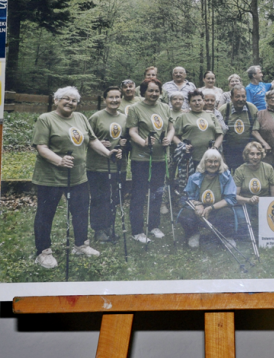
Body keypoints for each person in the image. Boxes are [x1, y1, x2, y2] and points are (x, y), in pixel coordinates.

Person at [32, 86, 119, 268]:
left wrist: (108, 153)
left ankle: (81, 245)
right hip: (51, 177)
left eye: (74, 100)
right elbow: (41, 147)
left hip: (79, 176)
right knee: (45, 215)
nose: (70, 103)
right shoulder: (45, 119)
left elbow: (92, 140)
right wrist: (59, 160)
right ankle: (43, 252)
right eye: (66, 99)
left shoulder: (80, 118)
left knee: (80, 212)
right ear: (56, 100)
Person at [126, 78, 174, 243]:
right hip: (141, 157)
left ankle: (154, 225)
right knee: (139, 194)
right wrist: (143, 142)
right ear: (143, 92)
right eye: (150, 91)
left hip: (160, 157)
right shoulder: (135, 108)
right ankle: (137, 230)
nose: (154, 94)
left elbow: (171, 127)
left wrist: (168, 138)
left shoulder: (165, 107)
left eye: (157, 91)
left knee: (157, 193)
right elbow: (132, 131)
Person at [87, 86, 128, 242]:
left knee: (114, 198)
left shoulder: (125, 118)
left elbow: (128, 140)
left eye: (117, 97)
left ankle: (109, 227)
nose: (114, 100)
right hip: (98, 166)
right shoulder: (96, 117)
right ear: (105, 99)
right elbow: (88, 140)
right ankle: (98, 229)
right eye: (111, 97)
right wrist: (99, 142)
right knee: (99, 198)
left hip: (118, 165)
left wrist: (125, 145)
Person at [180, 149, 239, 248]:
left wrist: (210, 208)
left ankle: (227, 236)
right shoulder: (194, 177)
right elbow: (186, 197)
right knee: (185, 213)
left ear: (220, 163)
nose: (213, 164)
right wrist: (197, 204)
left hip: (217, 210)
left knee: (227, 212)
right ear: (204, 162)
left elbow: (231, 198)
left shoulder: (226, 176)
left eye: (216, 162)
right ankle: (194, 234)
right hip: (199, 212)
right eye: (210, 161)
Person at [174, 90, 224, 175]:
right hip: (190, 157)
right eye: (193, 101)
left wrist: (215, 148)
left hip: (209, 158)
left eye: (199, 100)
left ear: (203, 101)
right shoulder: (182, 117)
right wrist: (182, 146)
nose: (197, 103)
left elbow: (220, 134)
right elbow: (174, 136)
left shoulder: (211, 116)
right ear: (189, 103)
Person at [234, 142, 274, 223]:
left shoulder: (268, 168)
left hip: (264, 203)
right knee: (242, 219)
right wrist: (249, 200)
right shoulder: (240, 170)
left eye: (258, 154)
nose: (255, 157)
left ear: (262, 155)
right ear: (247, 155)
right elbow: (235, 196)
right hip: (245, 203)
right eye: (252, 154)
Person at [219, 85, 258, 170]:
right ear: (231, 97)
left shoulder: (252, 109)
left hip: (247, 150)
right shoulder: (224, 110)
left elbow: (256, 129)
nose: (241, 99)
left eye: (243, 96)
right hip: (229, 150)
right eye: (237, 96)